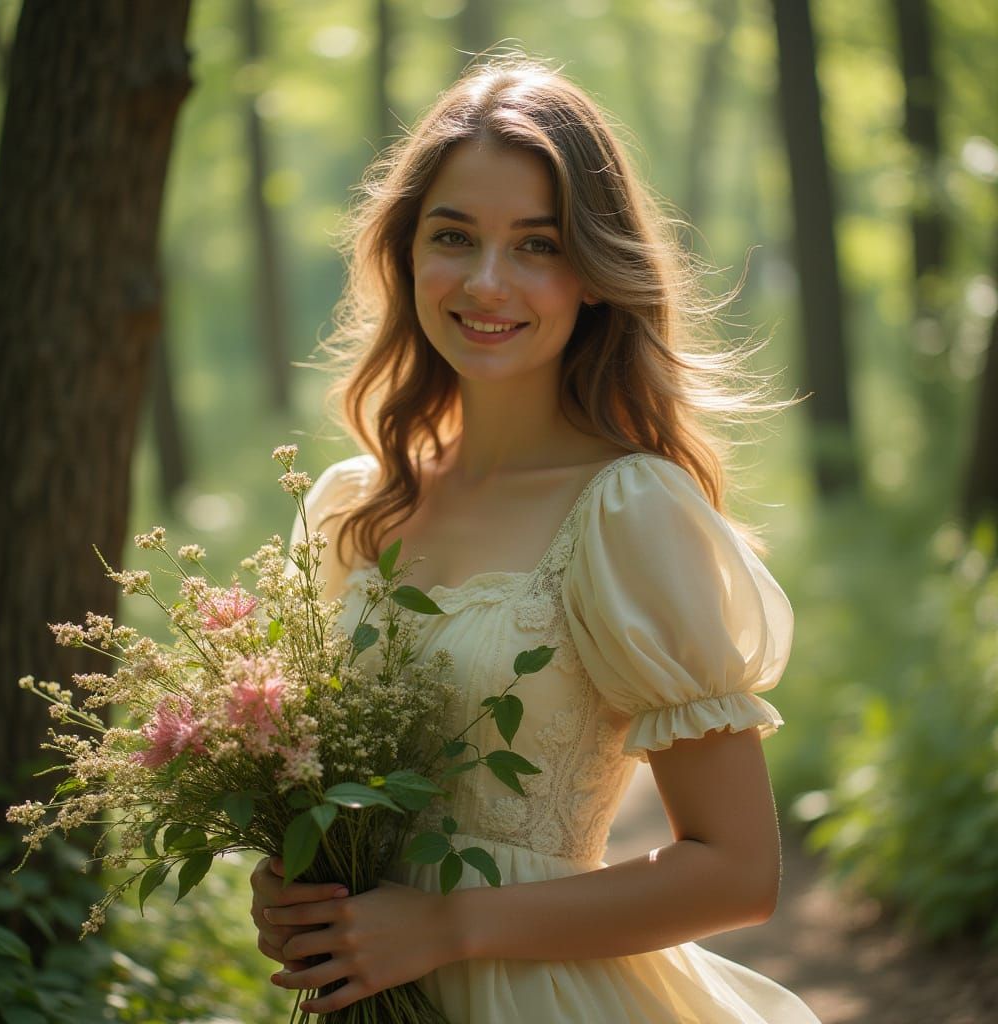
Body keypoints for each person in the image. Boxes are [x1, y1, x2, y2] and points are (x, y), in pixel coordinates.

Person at [249, 56, 821, 1023]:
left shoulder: (627, 510)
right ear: (405, 254)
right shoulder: (352, 509)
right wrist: (296, 888)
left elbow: (737, 873)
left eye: (537, 246)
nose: (486, 281)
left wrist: (446, 928)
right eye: (453, 236)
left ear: (595, 275)